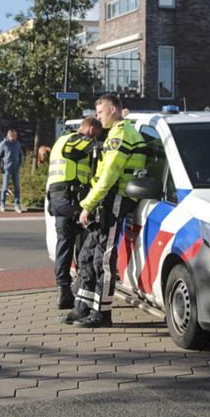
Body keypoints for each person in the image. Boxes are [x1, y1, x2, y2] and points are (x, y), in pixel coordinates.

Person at [59, 94, 146, 329]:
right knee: (89, 255)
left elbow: (110, 175)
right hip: (107, 200)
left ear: (113, 110)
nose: (97, 118)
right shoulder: (118, 133)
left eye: (100, 113)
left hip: (115, 198)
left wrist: (88, 204)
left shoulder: (121, 135)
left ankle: (102, 314)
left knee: (104, 259)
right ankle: (82, 308)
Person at [45, 116, 103, 310]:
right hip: (68, 198)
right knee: (95, 228)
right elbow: (90, 146)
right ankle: (85, 286)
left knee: (66, 243)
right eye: (98, 133)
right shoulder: (73, 139)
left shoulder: (60, 140)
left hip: (60, 199)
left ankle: (64, 291)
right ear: (92, 130)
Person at [0, 129, 23, 213]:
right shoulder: (4, 144)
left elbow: (20, 154)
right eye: (15, 135)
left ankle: (17, 204)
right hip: (7, 169)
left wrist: (19, 164)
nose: (16, 136)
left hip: (16, 169)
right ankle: (2, 203)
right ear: (10, 136)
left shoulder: (17, 143)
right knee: (5, 187)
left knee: (17, 187)